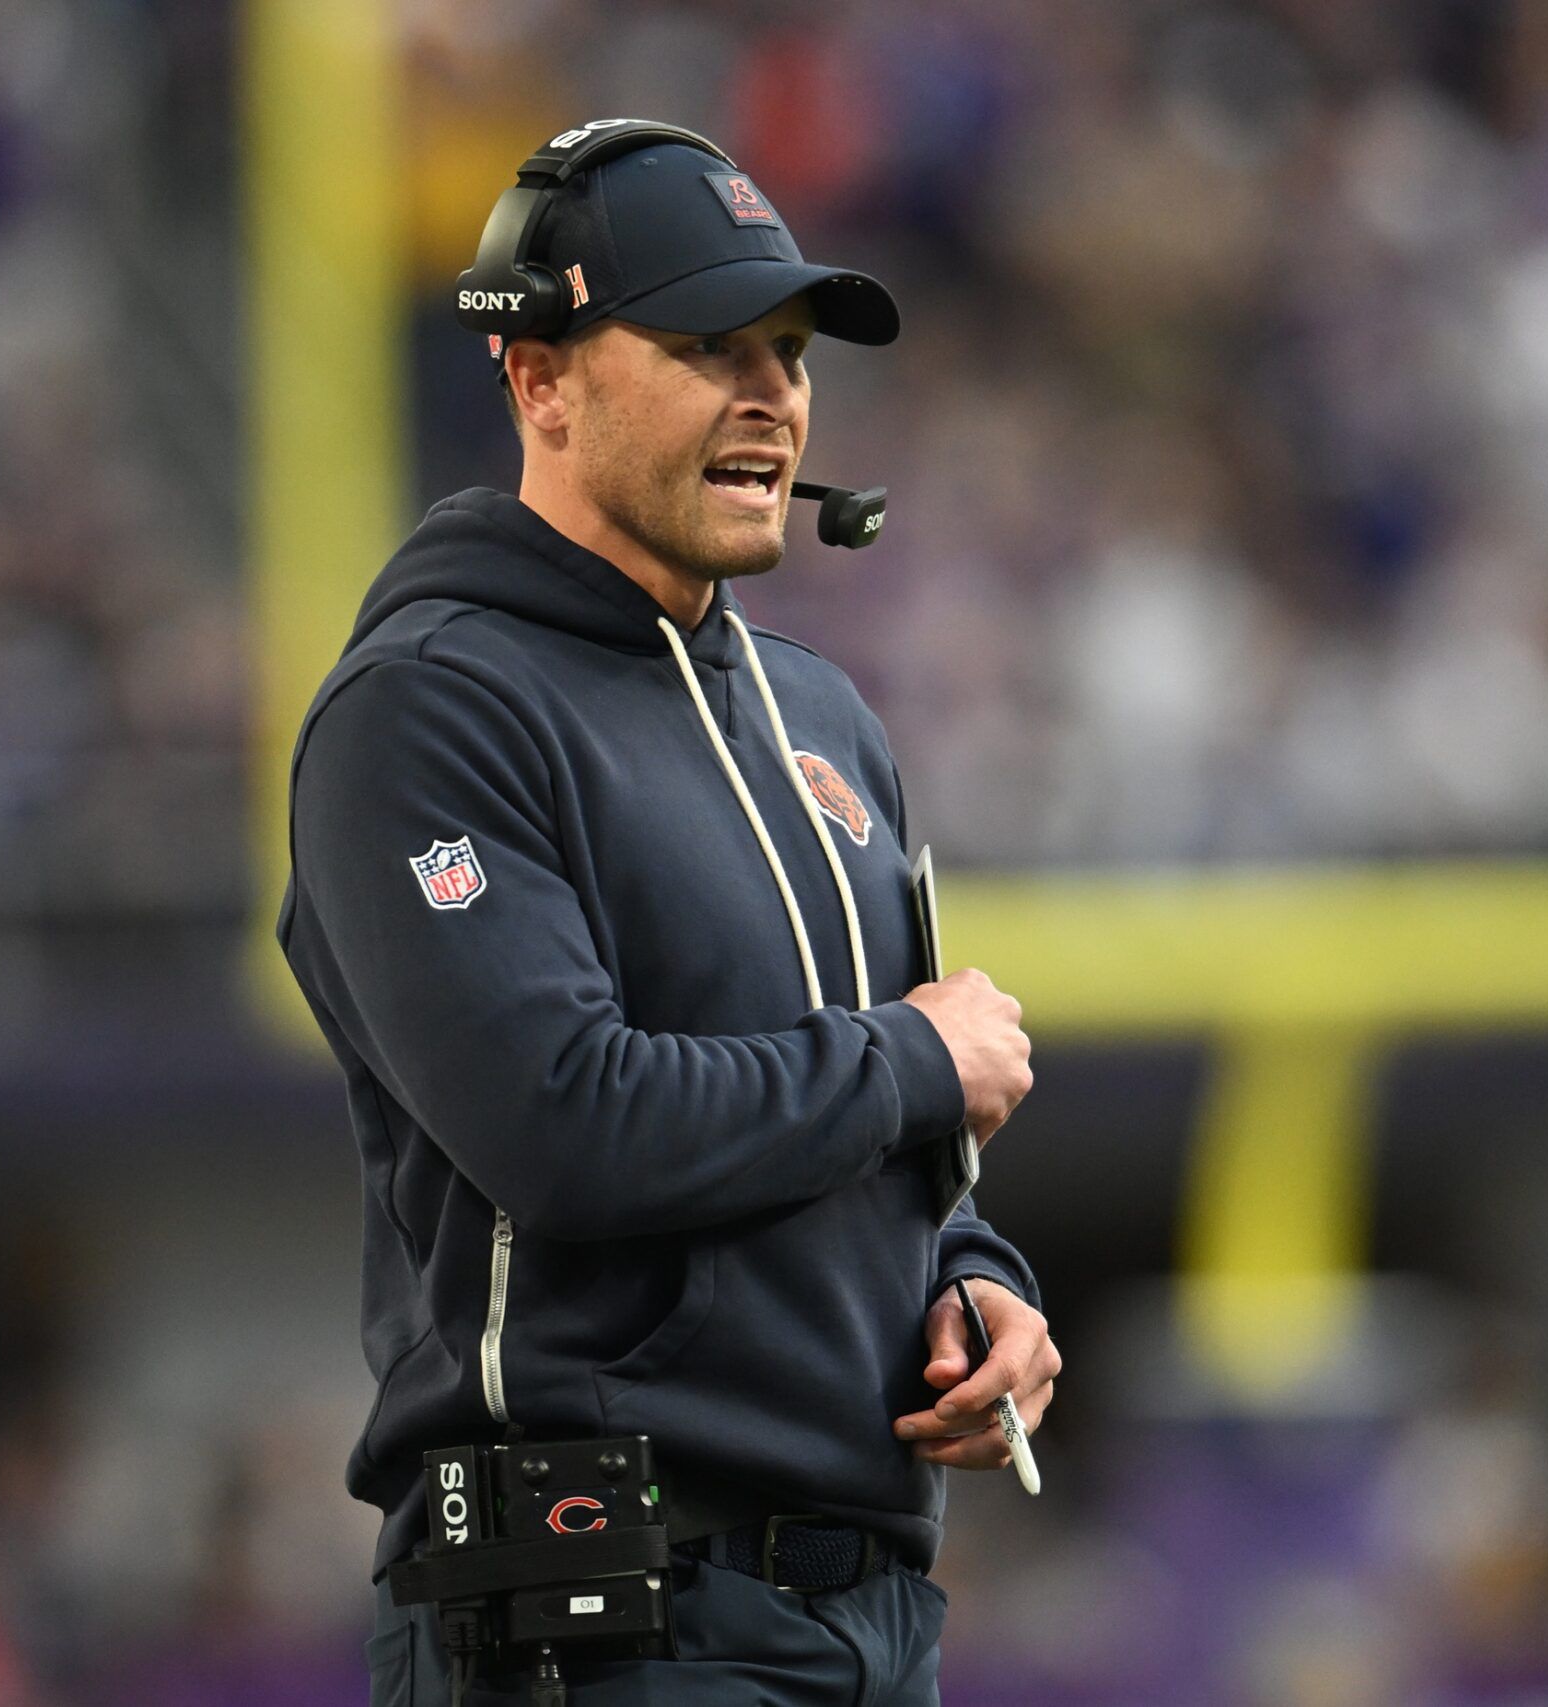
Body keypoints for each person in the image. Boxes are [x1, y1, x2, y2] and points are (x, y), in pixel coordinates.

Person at [274, 122, 1055, 1706]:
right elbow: (565, 1121)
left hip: (870, 1613)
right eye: (705, 345)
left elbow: (889, 1149)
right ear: (539, 379)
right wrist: (912, 1063)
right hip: (596, 1611)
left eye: (784, 351)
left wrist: (979, 1289)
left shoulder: (825, 722)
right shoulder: (428, 710)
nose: (770, 393)